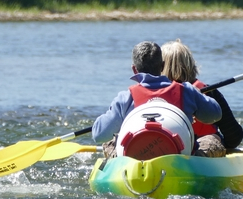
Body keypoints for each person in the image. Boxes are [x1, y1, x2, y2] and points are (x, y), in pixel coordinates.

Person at [92, 40, 222, 159]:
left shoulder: (125, 98)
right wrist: (197, 96)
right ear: (162, 66)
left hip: (133, 160)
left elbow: (98, 135)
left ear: (134, 69)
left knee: (109, 141)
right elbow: (215, 115)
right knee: (212, 139)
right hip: (182, 158)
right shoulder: (186, 91)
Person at [161, 39, 243, 157]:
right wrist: (222, 146)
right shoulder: (209, 93)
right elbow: (234, 137)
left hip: (167, 148)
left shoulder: (154, 94)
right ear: (190, 64)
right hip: (202, 150)